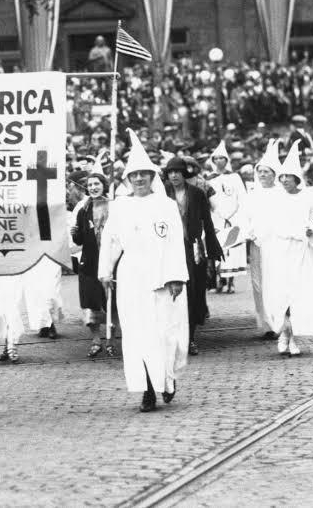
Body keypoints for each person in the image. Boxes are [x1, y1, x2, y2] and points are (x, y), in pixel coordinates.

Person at [98, 129, 189, 413]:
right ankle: (147, 389)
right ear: (128, 179)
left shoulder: (166, 205)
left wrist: (175, 276)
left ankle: (168, 378)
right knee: (137, 333)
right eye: (133, 175)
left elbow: (175, 242)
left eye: (143, 174)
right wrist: (106, 270)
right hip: (131, 276)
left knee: (164, 332)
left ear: (152, 177)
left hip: (162, 275)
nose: (138, 179)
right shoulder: (120, 205)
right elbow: (110, 240)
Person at [260, 141, 313, 356]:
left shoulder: (309, 196)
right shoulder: (275, 198)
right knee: (282, 295)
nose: (285, 180)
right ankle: (284, 332)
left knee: (299, 295)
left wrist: (311, 230)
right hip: (281, 251)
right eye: (282, 176)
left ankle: (293, 336)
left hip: (302, 252)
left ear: (297, 177)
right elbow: (269, 225)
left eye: (289, 176)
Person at [165, 157, 223, 356]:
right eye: (170, 172)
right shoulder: (162, 195)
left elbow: (207, 221)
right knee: (171, 294)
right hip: (169, 249)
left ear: (184, 174)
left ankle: (189, 339)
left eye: (177, 172)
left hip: (194, 249)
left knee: (193, 293)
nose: (174, 176)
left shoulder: (197, 194)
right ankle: (172, 339)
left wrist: (213, 247)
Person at [71, 158, 116, 357]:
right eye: (89, 185)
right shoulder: (83, 209)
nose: (93, 187)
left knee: (111, 300)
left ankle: (111, 340)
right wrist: (74, 233)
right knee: (91, 301)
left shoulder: (114, 206)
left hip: (111, 262)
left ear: (103, 185)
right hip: (89, 262)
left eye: (96, 184)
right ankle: (96, 339)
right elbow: (80, 239)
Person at [246, 139, 282, 339]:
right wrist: (248, 231)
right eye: (260, 171)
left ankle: (279, 322)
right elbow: (245, 217)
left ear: (274, 174)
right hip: (257, 245)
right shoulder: (253, 193)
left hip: (276, 245)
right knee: (259, 284)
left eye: (266, 171)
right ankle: (266, 323)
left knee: (275, 281)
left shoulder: (280, 194)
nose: (262, 175)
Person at [207, 141, 248, 293]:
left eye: (222, 158)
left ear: (226, 160)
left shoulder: (235, 177)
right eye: (216, 158)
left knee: (233, 249)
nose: (219, 161)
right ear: (213, 161)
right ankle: (220, 279)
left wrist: (238, 215)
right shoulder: (209, 178)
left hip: (233, 217)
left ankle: (231, 282)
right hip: (216, 217)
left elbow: (242, 197)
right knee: (219, 249)